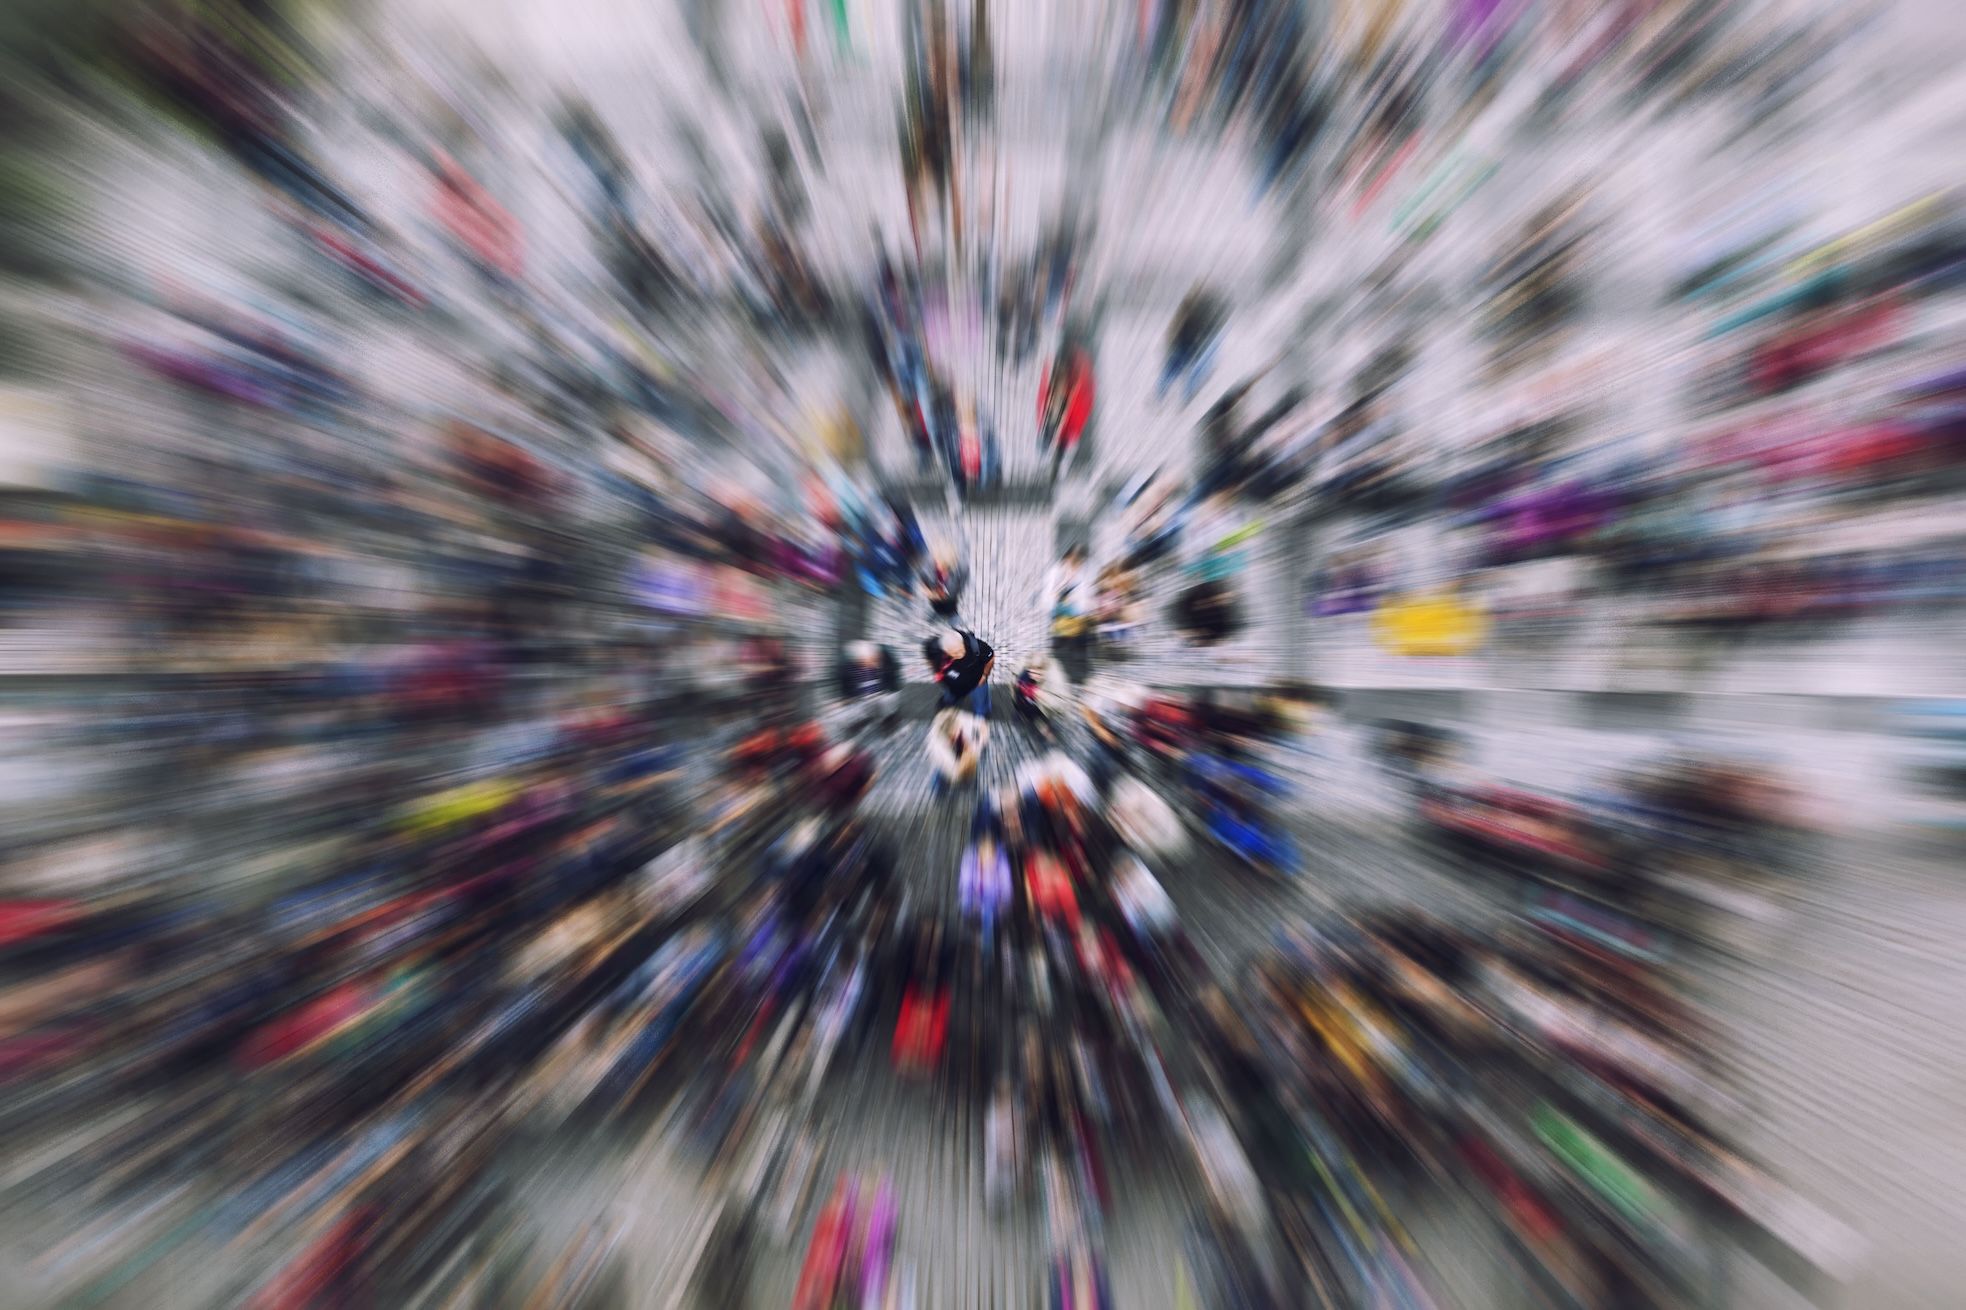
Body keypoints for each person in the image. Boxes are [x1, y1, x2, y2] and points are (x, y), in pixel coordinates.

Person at [922, 626, 994, 714]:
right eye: (954, 653)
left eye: (960, 650)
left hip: (976, 683)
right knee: (949, 698)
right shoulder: (936, 648)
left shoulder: (978, 646)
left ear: (963, 643)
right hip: (952, 685)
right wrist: (937, 672)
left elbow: (991, 658)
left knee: (981, 708)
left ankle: (981, 715)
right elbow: (931, 661)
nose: (959, 654)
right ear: (945, 650)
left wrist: (984, 675)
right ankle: (948, 705)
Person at [928, 707, 989, 794]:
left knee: (970, 775)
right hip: (948, 766)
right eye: (952, 736)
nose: (958, 735)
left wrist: (982, 738)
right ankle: (939, 791)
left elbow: (981, 724)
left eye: (958, 730)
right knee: (941, 779)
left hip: (965, 753)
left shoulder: (958, 718)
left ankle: (970, 783)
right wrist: (974, 751)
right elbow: (956, 775)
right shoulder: (938, 749)